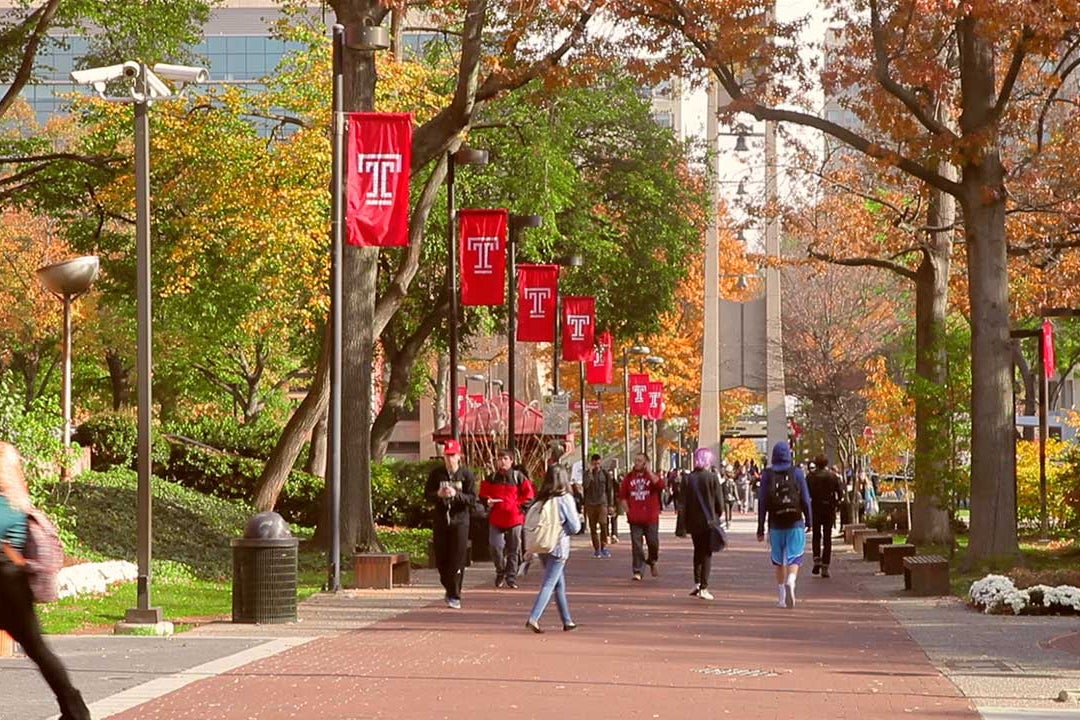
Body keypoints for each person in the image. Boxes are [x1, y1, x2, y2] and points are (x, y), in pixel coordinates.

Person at [0, 442, 91, 720]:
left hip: (4, 580)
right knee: (37, 648)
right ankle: (75, 709)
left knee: (37, 647)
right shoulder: (18, 498)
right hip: (13, 582)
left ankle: (75, 709)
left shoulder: (4, 503)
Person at [525, 453, 582, 633]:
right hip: (559, 545)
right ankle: (534, 617)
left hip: (543, 544)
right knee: (550, 582)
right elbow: (574, 526)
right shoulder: (564, 498)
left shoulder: (542, 498)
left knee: (558, 582)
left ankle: (567, 620)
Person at [756, 441, 812, 609]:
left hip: (775, 523)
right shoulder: (797, 473)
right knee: (795, 557)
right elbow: (806, 499)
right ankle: (792, 580)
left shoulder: (767, 475)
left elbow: (763, 502)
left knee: (778, 560)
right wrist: (809, 520)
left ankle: (781, 597)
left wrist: (760, 527)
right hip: (795, 521)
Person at [424, 439, 478, 609]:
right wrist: (439, 494)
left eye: (452, 455)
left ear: (459, 456)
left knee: (457, 559)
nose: (449, 459)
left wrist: (456, 495)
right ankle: (448, 586)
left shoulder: (466, 475)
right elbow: (427, 495)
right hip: (441, 520)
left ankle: (455, 594)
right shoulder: (437, 474)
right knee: (442, 560)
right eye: (447, 455)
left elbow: (472, 499)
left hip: (460, 521)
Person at [479, 448, 535, 589]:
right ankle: (500, 571)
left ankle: (511, 577)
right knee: (495, 546)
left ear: (511, 461)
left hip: (514, 518)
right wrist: (487, 502)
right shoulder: (491, 478)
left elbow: (529, 495)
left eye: (505, 459)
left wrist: (518, 507)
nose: (502, 462)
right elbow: (482, 495)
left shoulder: (518, 477)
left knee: (513, 548)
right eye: (500, 459)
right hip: (496, 518)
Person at [682, 447, 724, 600]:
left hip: (693, 521)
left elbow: (683, 502)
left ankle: (697, 582)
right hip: (708, 520)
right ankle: (704, 587)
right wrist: (718, 514)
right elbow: (719, 502)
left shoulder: (688, 478)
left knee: (697, 551)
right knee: (707, 554)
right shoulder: (713, 478)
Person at [618, 452, 664, 581]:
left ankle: (652, 560)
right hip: (635, 518)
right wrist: (628, 511)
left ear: (645, 463)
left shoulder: (652, 477)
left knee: (653, 542)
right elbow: (622, 496)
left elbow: (660, 485)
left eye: (640, 461)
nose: (637, 463)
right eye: (636, 460)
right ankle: (638, 569)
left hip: (651, 517)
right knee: (637, 545)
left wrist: (649, 471)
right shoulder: (629, 478)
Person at [807, 455, 844, 578]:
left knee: (816, 534)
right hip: (828, 508)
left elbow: (805, 493)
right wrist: (837, 504)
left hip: (815, 507)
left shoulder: (810, 477)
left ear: (816, 463)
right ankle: (825, 565)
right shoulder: (832, 477)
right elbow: (840, 492)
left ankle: (817, 558)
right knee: (827, 537)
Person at [581, 454, 615, 558]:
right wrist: (590, 473)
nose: (596, 465)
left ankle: (604, 546)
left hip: (602, 502)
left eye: (598, 463)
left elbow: (609, 489)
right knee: (592, 526)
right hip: (590, 503)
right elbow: (585, 486)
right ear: (591, 463)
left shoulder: (604, 474)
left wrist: (611, 504)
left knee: (603, 523)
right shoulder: (587, 474)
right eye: (594, 463)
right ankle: (597, 549)